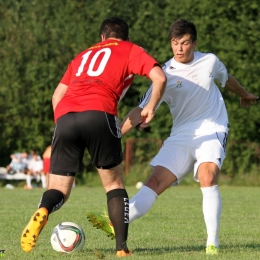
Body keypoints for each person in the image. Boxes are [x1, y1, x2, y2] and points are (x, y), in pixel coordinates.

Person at [87, 18, 259, 255]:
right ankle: (113, 222)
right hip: (181, 134)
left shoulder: (210, 61)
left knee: (207, 176)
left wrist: (245, 94)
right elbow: (140, 109)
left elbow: (226, 79)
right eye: (175, 43)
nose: (179, 48)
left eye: (185, 43)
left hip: (212, 128)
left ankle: (212, 242)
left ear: (194, 43)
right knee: (154, 183)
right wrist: (113, 134)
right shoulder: (165, 72)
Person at [20, 17, 166, 257]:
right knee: (113, 185)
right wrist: (150, 106)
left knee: (59, 188)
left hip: (66, 117)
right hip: (99, 113)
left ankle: (44, 209)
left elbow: (57, 95)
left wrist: (64, 125)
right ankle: (121, 249)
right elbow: (159, 77)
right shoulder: (130, 49)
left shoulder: (82, 55)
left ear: (102, 38)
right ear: (126, 38)